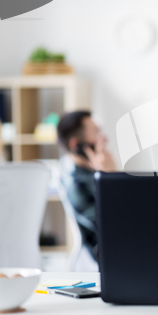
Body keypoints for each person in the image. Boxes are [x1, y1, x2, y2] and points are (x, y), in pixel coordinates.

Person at [57, 111, 116, 262]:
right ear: (76, 145)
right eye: (97, 132)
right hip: (106, 256)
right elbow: (115, 224)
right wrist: (111, 176)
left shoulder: (92, 172)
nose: (104, 138)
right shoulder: (75, 182)